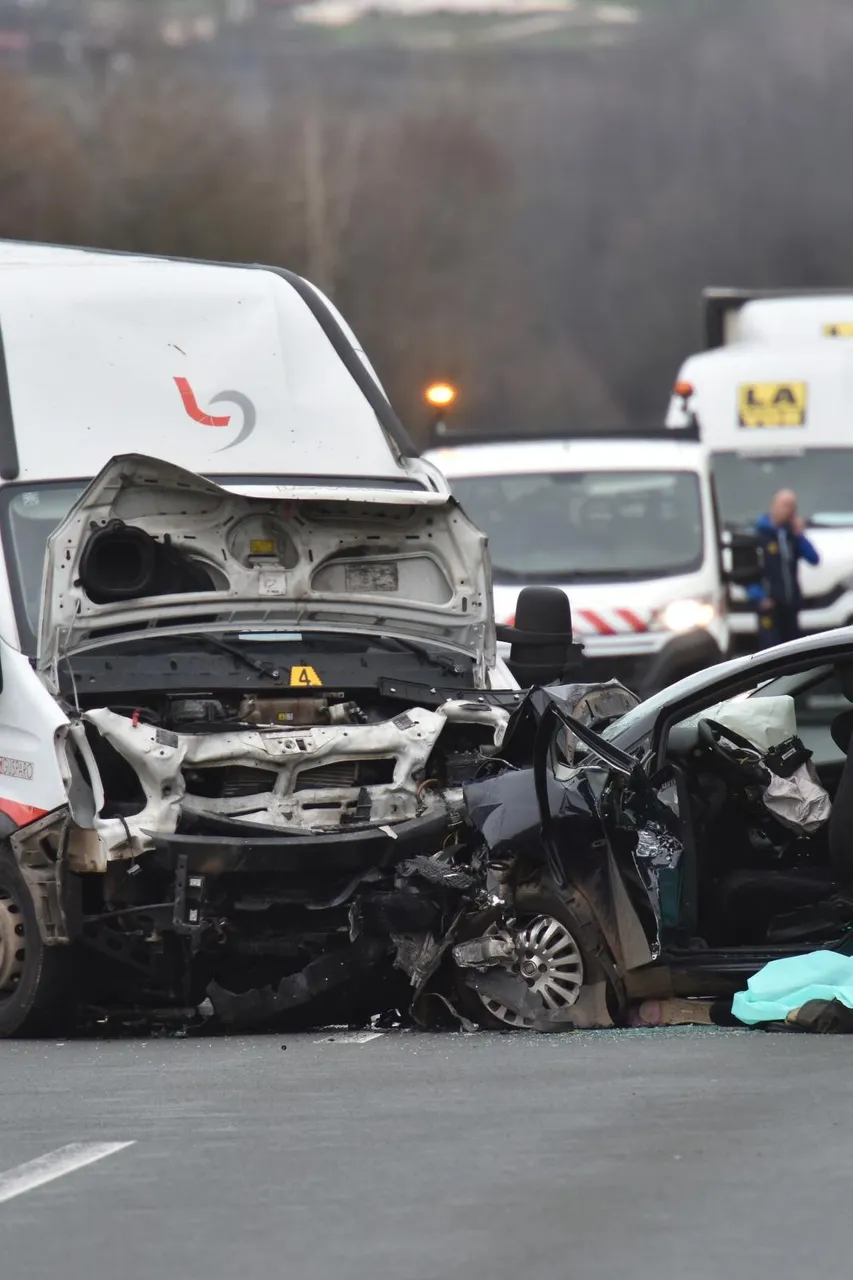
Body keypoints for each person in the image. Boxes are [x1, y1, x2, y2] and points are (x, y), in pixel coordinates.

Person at [747, 489, 819, 648]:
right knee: (770, 650)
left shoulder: (790, 535)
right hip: (769, 605)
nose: (789, 511)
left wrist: (799, 534)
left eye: (793, 507)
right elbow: (746, 573)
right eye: (785, 505)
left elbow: (814, 559)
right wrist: (759, 597)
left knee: (792, 649)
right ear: (773, 505)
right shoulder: (758, 534)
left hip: (790, 605)